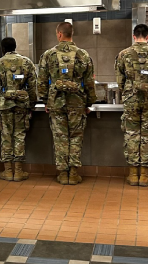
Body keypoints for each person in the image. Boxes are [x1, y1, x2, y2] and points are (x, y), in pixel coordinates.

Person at [38, 22, 96, 185]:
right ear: (72, 34)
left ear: (59, 34)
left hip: (56, 103)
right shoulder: (83, 55)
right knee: (76, 137)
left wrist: (45, 101)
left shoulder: (48, 55)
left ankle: (63, 174)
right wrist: (89, 103)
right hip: (77, 102)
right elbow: (90, 82)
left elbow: (41, 81)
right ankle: (74, 173)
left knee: (60, 137)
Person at [115, 24, 148, 187]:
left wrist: (128, 93)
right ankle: (145, 175)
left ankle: (132, 174)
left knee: (131, 134)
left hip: (131, 100)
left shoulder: (123, 54)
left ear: (133, 35)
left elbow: (119, 81)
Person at [0, 37, 38, 182]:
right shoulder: (26, 62)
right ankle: (18, 171)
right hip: (22, 106)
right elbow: (32, 87)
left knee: (6, 137)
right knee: (19, 136)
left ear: (2, 48)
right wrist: (32, 104)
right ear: (15, 47)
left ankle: (7, 171)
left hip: (4, 107)